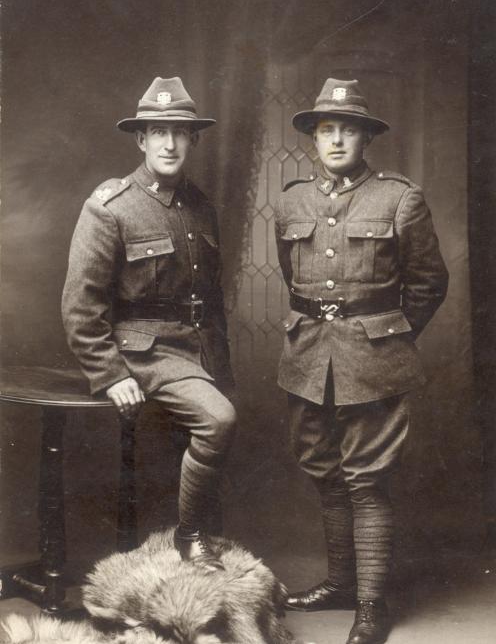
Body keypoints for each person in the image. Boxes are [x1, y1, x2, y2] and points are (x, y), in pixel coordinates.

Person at [274, 78, 449, 644]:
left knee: (367, 480)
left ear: (366, 137)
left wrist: (388, 334)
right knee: (324, 471)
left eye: (349, 129)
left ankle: (371, 606)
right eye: (327, 129)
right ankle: (342, 583)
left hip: (374, 359)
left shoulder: (400, 197)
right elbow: (291, 275)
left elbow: (428, 283)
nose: (337, 139)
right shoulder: (291, 198)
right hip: (306, 357)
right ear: (313, 139)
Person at [62, 77, 236, 571]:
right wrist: (111, 373)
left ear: (193, 140)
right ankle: (191, 535)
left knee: (212, 434)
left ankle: (202, 560)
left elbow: (212, 295)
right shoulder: (110, 207)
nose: (169, 143)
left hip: (201, 350)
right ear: (141, 140)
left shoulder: (201, 207)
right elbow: (81, 304)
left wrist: (219, 361)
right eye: (158, 131)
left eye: (179, 132)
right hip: (146, 353)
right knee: (219, 420)